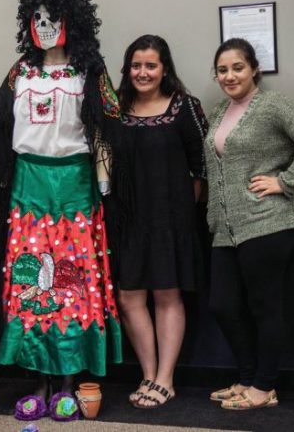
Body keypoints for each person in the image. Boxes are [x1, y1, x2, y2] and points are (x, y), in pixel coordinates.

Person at [0, 0, 122, 400]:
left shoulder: (89, 71)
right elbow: (0, 130)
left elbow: (108, 128)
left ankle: (68, 376)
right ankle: (39, 378)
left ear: (73, 21)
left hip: (74, 187)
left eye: (53, 17)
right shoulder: (19, 73)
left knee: (71, 277)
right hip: (28, 187)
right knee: (32, 277)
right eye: (37, 17)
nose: (44, 25)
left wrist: (104, 180)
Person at [205, 38, 294, 410]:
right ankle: (245, 379)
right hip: (227, 228)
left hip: (269, 221)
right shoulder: (216, 113)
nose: (230, 76)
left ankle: (264, 387)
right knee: (223, 305)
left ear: (254, 69)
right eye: (223, 70)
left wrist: (285, 181)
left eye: (237, 67)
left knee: (265, 306)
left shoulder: (273, 105)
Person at [103, 35, 208, 408]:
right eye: (136, 65)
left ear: (165, 69)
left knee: (167, 294)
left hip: (171, 219)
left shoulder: (185, 107)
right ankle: (148, 373)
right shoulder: (114, 109)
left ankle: (166, 378)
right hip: (126, 219)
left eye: (151, 65)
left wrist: (183, 213)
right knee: (129, 297)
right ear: (126, 68)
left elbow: (201, 165)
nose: (142, 72)